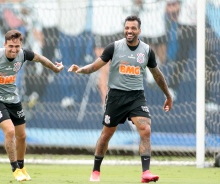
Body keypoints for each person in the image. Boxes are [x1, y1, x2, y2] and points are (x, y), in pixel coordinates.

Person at [68, 15, 172, 183]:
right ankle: (96, 170)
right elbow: (95, 65)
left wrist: (167, 95)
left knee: (145, 129)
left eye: (133, 28)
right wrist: (81, 70)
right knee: (106, 134)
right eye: (127, 28)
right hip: (116, 96)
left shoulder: (146, 51)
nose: (129, 31)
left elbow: (157, 75)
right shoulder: (114, 47)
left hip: (136, 96)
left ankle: (146, 172)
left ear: (139, 30)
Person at [0, 29, 64, 181]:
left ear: (20, 46)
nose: (14, 50)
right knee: (9, 131)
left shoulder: (23, 54)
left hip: (13, 100)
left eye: (17, 46)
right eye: (11, 46)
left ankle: (22, 167)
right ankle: (15, 169)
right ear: (4, 44)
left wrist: (54, 68)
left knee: (22, 136)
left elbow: (40, 58)